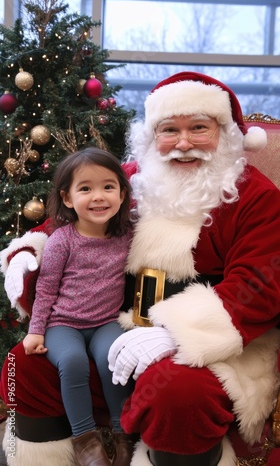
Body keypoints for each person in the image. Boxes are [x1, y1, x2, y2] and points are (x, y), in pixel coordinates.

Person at [1, 71, 280, 466]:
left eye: (198, 128)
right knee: (26, 366)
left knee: (177, 395)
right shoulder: (131, 182)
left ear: (226, 135)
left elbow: (262, 282)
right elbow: (69, 224)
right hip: (110, 323)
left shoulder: (257, 198)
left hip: (214, 348)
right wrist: (29, 252)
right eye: (169, 130)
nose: (183, 143)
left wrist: (177, 333)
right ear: (152, 137)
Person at [21, 146, 136, 466]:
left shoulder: (126, 234)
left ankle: (122, 433)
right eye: (86, 188)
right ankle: (85, 440)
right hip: (64, 325)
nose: (98, 196)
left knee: (115, 358)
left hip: (105, 322)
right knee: (72, 362)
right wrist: (36, 332)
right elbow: (45, 289)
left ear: (123, 194)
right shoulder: (62, 240)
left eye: (108, 187)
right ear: (68, 198)